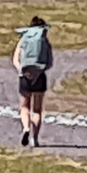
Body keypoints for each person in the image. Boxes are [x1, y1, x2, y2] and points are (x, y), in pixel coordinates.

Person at [15, 14, 53, 147]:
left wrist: (21, 71)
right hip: (40, 76)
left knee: (24, 106)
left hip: (25, 76)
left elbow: (16, 59)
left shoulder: (24, 39)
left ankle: (26, 128)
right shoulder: (44, 41)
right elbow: (49, 63)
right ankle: (35, 138)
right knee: (37, 109)